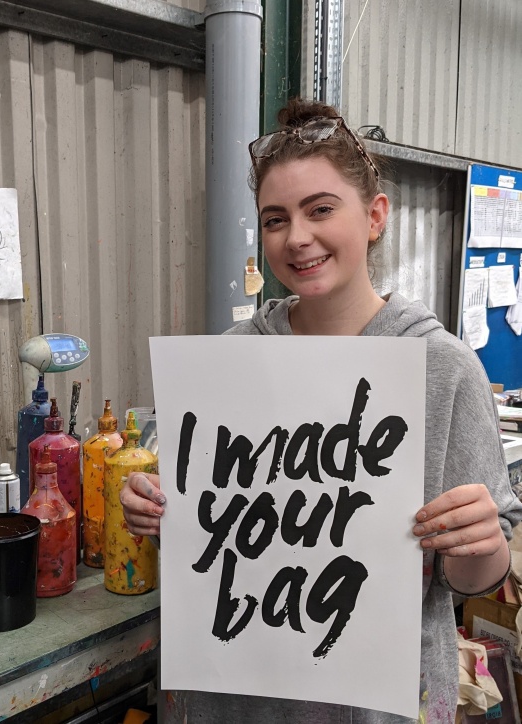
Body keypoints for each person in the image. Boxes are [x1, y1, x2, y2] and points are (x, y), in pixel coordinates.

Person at [120, 98, 522, 723]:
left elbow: (475, 580)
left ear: (375, 216)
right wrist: (156, 505)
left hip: (381, 705)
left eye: (321, 210)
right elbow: (210, 522)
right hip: (238, 698)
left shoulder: (443, 368)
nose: (297, 237)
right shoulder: (227, 363)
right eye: (275, 218)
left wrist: (479, 542)